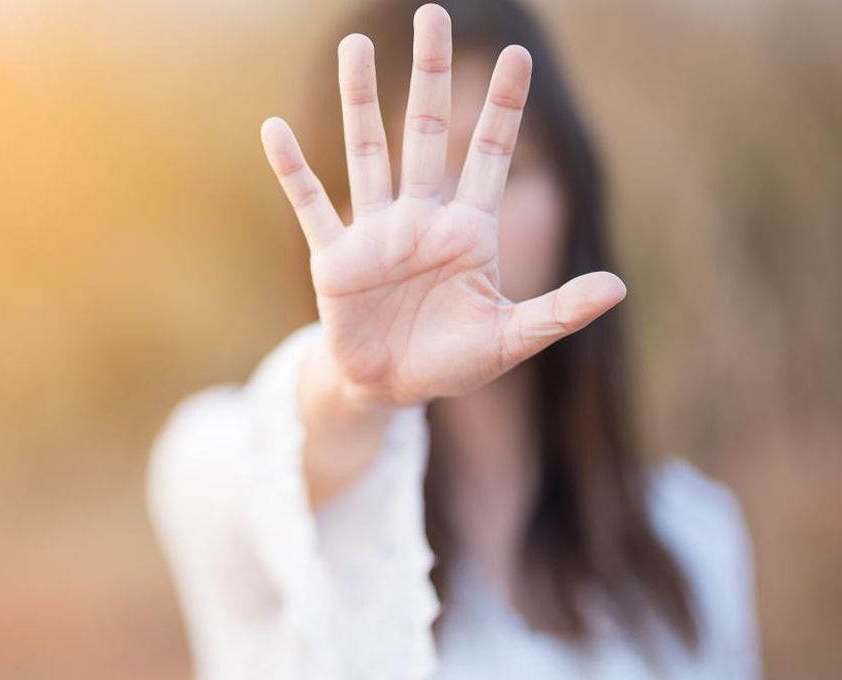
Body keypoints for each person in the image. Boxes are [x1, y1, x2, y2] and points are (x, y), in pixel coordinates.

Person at [146, 1, 761, 678]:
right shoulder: (218, 475)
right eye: (395, 179)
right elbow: (268, 463)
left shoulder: (696, 539)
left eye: (501, 168)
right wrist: (355, 386)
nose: (440, 224)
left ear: (572, 204)